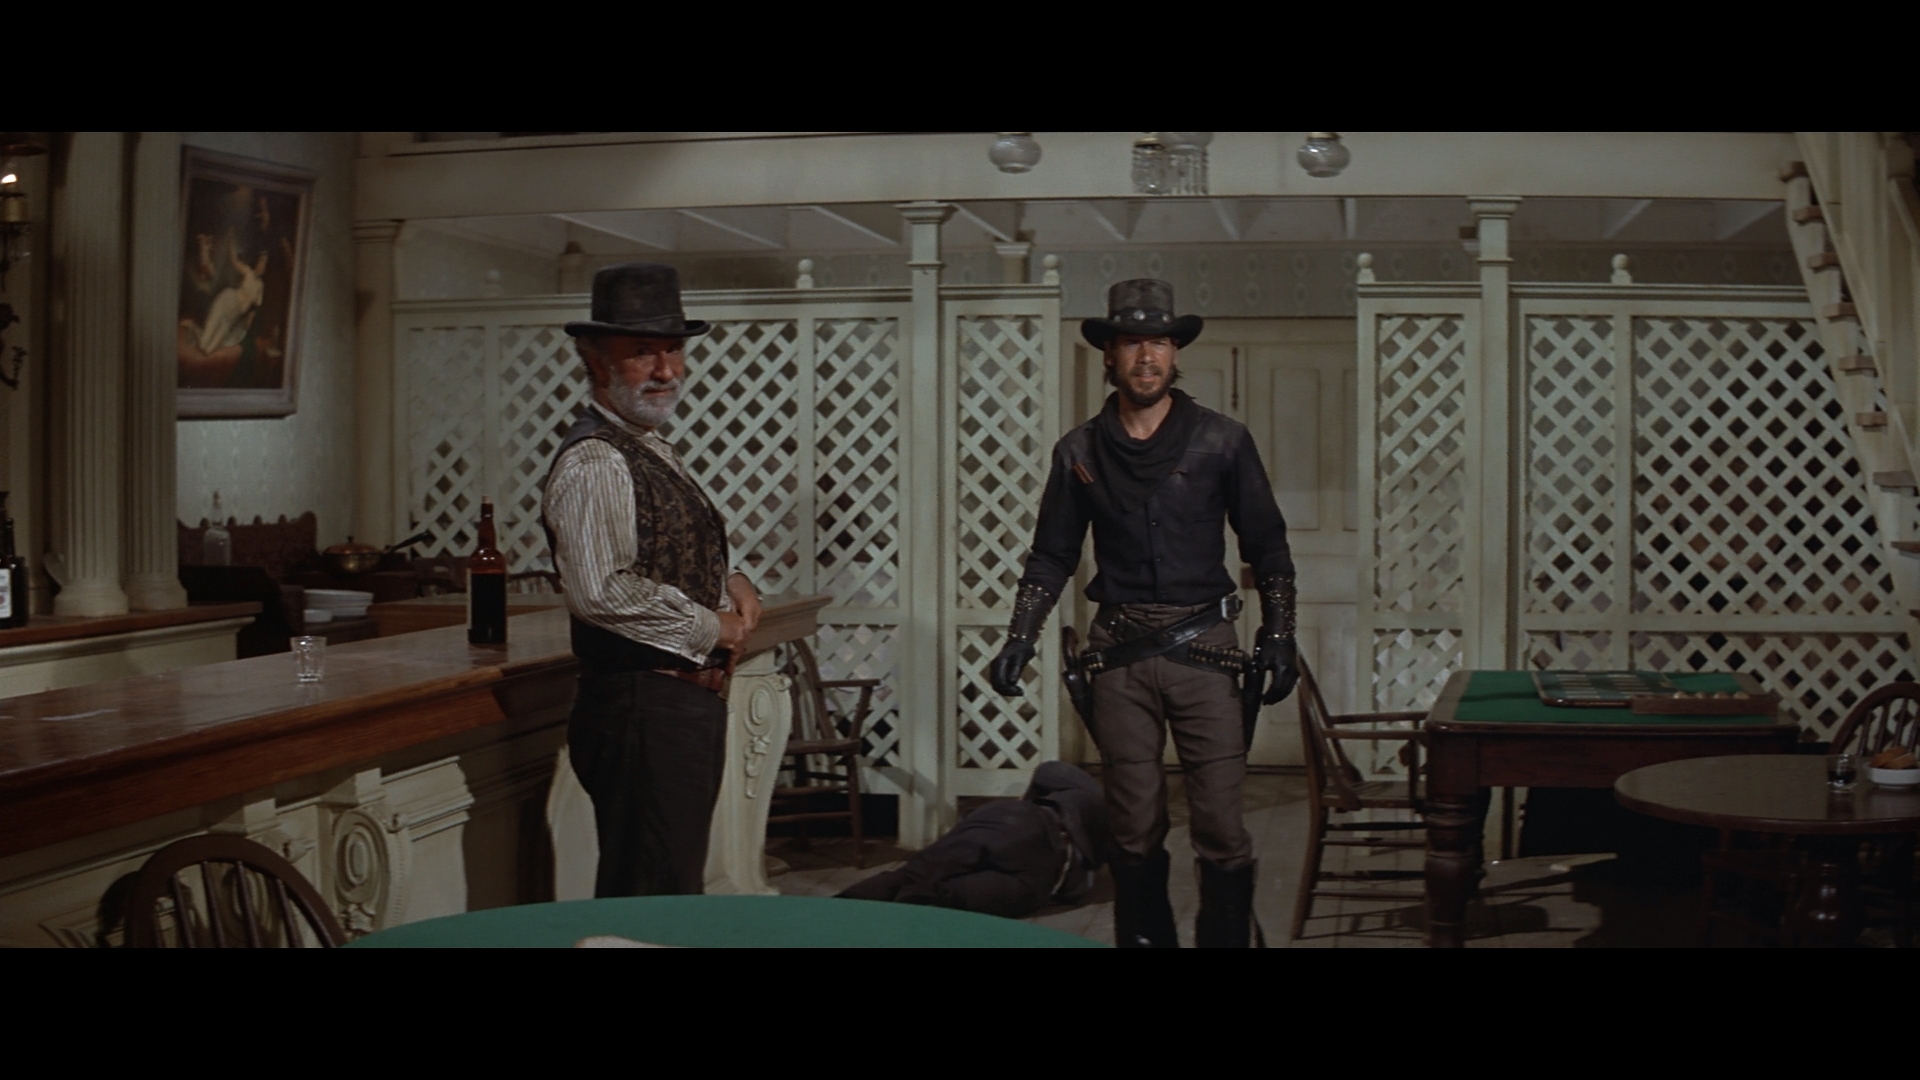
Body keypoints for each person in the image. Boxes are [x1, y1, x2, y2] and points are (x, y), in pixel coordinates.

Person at [987, 279, 1298, 948]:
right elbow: (1052, 555)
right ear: (1110, 354)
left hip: (1206, 650)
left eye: (1158, 342)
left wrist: (1279, 633)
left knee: (1221, 826)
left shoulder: (1222, 440)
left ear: (1176, 352)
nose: (1146, 356)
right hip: (1119, 656)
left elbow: (1267, 544)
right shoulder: (1078, 451)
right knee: (1133, 828)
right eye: (1132, 343)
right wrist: (1020, 636)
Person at [542, 262, 763, 897]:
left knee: (666, 889)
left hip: (674, 705)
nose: (666, 370)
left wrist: (732, 580)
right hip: (642, 706)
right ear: (595, 360)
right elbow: (601, 589)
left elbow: (663, 545)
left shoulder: (643, 446)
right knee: (652, 899)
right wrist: (710, 625)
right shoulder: (595, 459)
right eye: (643, 352)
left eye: (673, 350)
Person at [836, 761, 1110, 917]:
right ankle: (838, 913)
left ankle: (840, 913)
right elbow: (1049, 770)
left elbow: (1049, 770)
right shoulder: (1103, 804)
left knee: (930, 887)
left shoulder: (1099, 800)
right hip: (1035, 842)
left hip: (1034, 859)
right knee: (932, 886)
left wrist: (1027, 804)